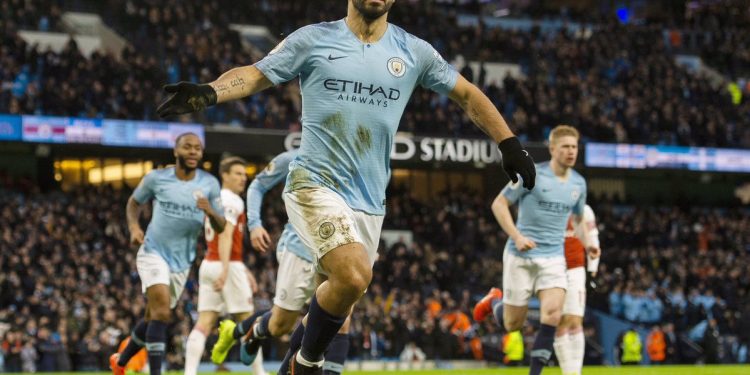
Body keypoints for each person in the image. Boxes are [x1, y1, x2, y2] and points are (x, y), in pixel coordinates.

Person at [155, 0, 536, 372]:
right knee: (353, 276)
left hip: (369, 201)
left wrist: (509, 144)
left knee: (332, 307)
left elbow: (467, 93)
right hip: (314, 184)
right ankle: (307, 366)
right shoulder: (313, 39)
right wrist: (210, 92)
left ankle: (288, 358)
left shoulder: (413, 51)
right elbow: (256, 74)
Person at [211, 149, 351, 375]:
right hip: (299, 250)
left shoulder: (350, 158)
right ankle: (246, 331)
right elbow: (257, 186)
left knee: (340, 317)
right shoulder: (295, 157)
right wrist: (254, 224)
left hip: (335, 249)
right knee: (280, 325)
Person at [474, 125, 587, 375]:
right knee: (513, 324)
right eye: (565, 146)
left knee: (553, 314)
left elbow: (579, 220)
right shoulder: (532, 173)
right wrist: (517, 235)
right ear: (553, 148)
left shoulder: (579, 184)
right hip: (521, 255)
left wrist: (589, 244)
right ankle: (495, 300)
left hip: (554, 258)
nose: (571, 151)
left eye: (574, 147)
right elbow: (499, 204)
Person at [110, 133, 225, 375]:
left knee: (154, 316)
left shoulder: (209, 184)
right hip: (153, 251)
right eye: (187, 147)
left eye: (197, 148)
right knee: (162, 311)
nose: (193, 152)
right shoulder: (156, 178)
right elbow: (133, 203)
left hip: (182, 260)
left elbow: (221, 226)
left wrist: (210, 212)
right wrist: (133, 227)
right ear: (176, 151)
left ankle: (120, 363)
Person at [184, 157, 266, 375]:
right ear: (225, 175)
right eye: (237, 173)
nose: (243, 178)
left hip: (209, 264)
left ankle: (189, 372)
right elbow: (226, 235)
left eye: (244, 173)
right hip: (225, 265)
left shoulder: (216, 199)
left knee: (204, 323)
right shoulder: (232, 201)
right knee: (249, 321)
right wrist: (228, 269)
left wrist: (241, 269)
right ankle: (260, 373)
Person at [553, 205, 601, 375]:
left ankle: (574, 372)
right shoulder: (548, 205)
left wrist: (591, 272)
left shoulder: (584, 209)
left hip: (576, 269)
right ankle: (568, 371)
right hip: (551, 269)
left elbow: (593, 239)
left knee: (575, 320)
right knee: (560, 321)